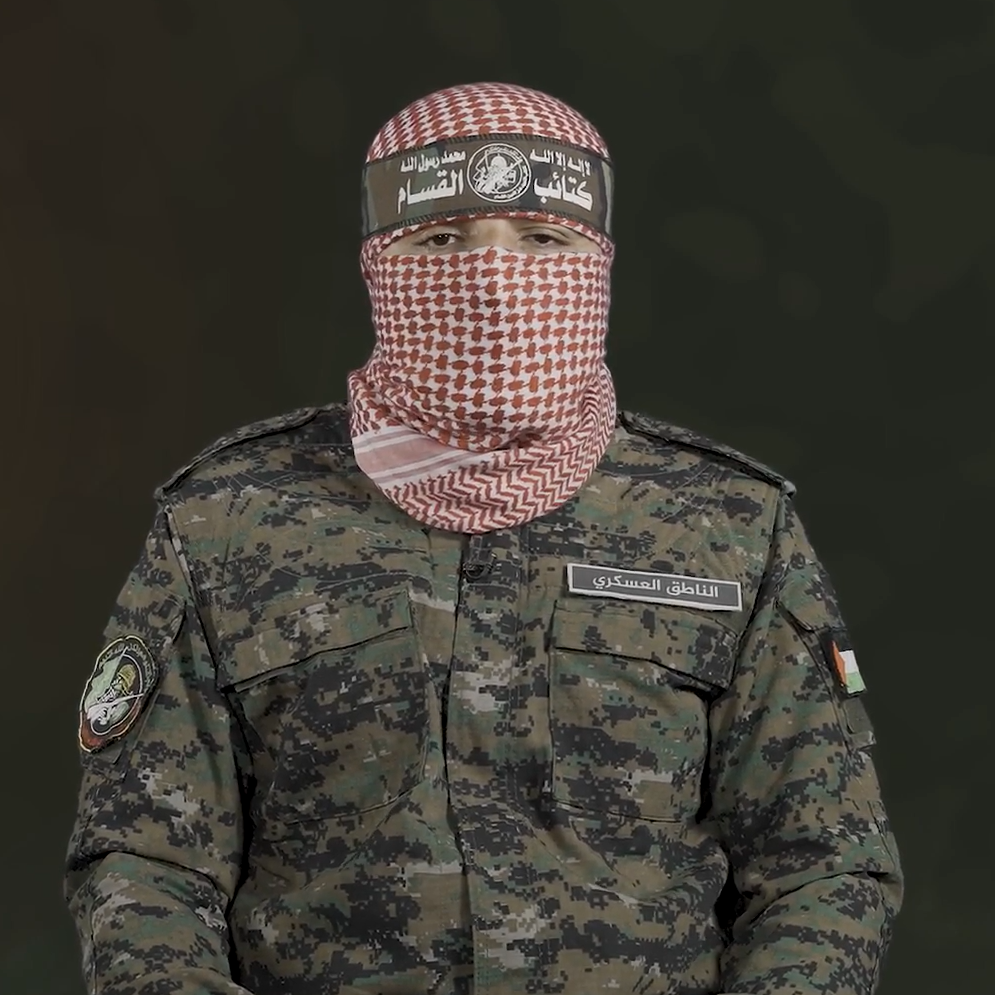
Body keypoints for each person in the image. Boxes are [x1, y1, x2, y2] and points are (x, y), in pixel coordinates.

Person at [64, 82, 903, 995]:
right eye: (440, 241)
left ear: (599, 264)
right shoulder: (226, 519)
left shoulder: (730, 525)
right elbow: (143, 865)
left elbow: (824, 865)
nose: (494, 283)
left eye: (542, 240)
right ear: (378, 266)